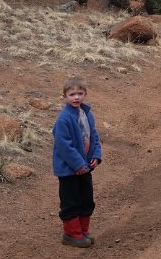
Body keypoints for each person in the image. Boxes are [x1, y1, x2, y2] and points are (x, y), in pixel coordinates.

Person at [52, 77, 103, 248]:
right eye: (72, 94)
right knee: (71, 201)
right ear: (64, 96)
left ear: (85, 94)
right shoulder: (63, 119)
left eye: (80, 93)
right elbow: (63, 145)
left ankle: (83, 230)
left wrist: (96, 155)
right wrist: (78, 165)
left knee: (86, 199)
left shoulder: (86, 114)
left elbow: (93, 136)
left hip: (85, 168)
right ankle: (71, 234)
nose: (76, 97)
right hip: (69, 170)